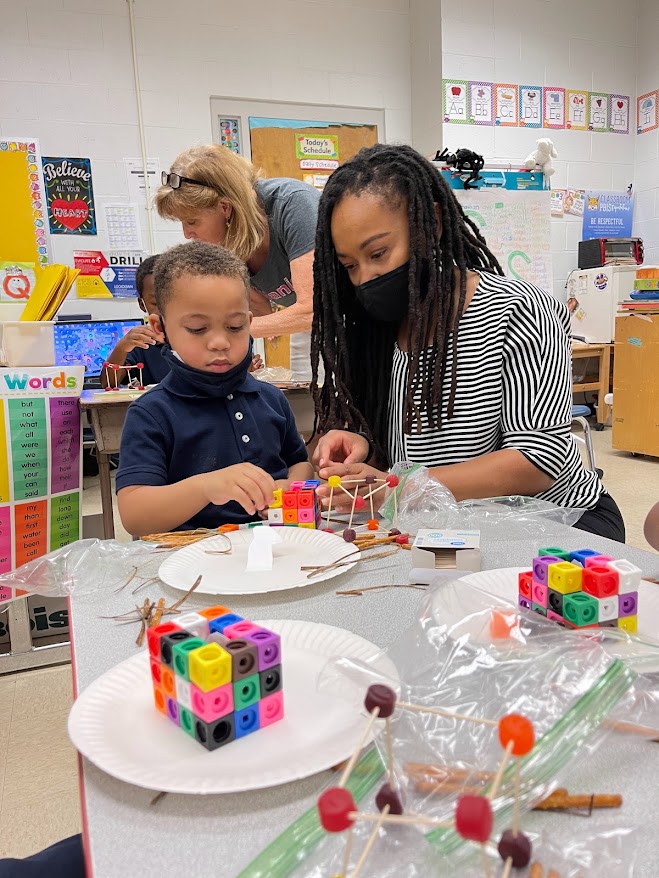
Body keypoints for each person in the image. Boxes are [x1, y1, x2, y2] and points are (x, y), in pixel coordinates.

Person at [310, 144, 625, 542]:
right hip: (448, 530)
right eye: (351, 266)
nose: (365, 279)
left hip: (562, 525)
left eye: (379, 253)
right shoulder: (378, 330)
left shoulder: (518, 310)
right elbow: (405, 459)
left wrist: (397, 487)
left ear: (433, 225)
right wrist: (363, 448)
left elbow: (536, 462)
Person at [116, 241, 312, 536]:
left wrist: (288, 486)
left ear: (249, 323)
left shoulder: (271, 399)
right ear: (160, 329)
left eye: (234, 327)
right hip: (190, 562)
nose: (219, 342)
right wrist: (206, 487)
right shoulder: (152, 413)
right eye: (197, 329)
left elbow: (300, 463)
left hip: (274, 550)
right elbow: (134, 516)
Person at [155, 144, 319, 381]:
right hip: (310, 330)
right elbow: (259, 309)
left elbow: (311, 311)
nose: (187, 234)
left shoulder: (294, 204)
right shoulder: (227, 237)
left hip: (357, 319)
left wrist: (218, 331)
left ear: (225, 207)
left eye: (192, 221)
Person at [101, 255, 169, 388]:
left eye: (171, 300)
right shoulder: (142, 342)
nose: (164, 309)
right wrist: (121, 348)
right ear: (142, 304)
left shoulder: (200, 335)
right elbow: (108, 383)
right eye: (155, 303)